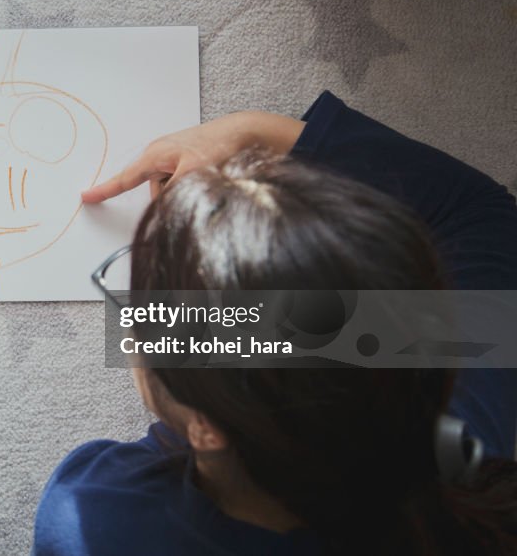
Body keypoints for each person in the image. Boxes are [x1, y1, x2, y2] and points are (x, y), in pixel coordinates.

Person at [34, 92, 517, 555]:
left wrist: (254, 132)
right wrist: (254, 131)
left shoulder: (94, 517)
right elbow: (484, 218)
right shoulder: (467, 466)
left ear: (204, 429)